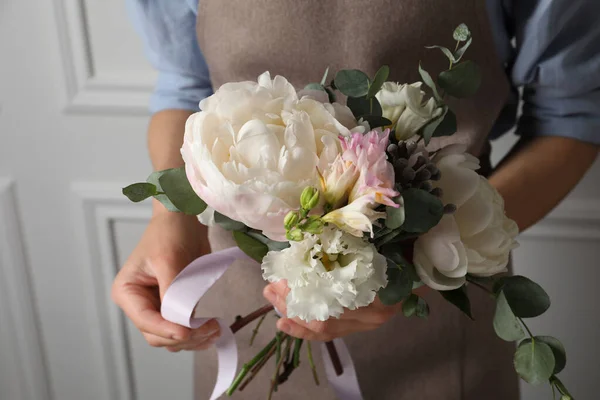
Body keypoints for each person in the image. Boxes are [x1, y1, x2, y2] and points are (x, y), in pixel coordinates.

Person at [113, 0, 599, 398]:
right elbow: (188, 85)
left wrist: (416, 261)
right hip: (244, 299)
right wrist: (170, 217)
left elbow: (571, 116)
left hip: (441, 311)